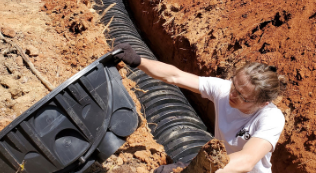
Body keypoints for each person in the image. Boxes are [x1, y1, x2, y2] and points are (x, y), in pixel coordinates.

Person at [113, 43, 287, 173]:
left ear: (263, 103)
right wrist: (138, 61)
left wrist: (199, 170)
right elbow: (175, 76)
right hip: (218, 167)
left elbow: (247, 160)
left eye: (243, 96)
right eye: (234, 85)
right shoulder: (224, 90)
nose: (233, 94)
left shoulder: (271, 118)